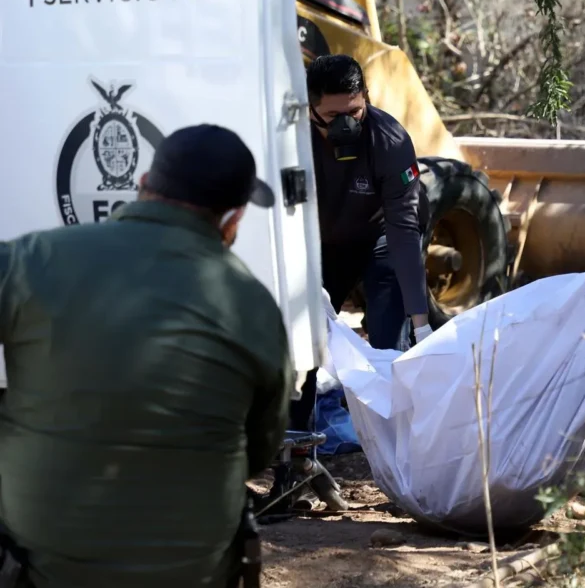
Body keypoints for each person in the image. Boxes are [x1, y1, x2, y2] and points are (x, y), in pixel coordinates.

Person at [0, 124, 293, 588]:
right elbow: (259, 448)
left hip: (42, 570)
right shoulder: (253, 304)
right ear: (233, 218)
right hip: (194, 573)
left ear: (141, 184)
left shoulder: (31, 259)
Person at [291, 54, 431, 431]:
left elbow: (404, 230)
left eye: (354, 112)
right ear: (309, 109)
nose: (346, 125)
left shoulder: (389, 140)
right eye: (332, 116)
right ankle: (298, 435)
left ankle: (394, 434)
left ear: (366, 96)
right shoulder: (290, 140)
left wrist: (421, 322)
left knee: (388, 339)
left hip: (379, 237)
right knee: (305, 341)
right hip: (319, 244)